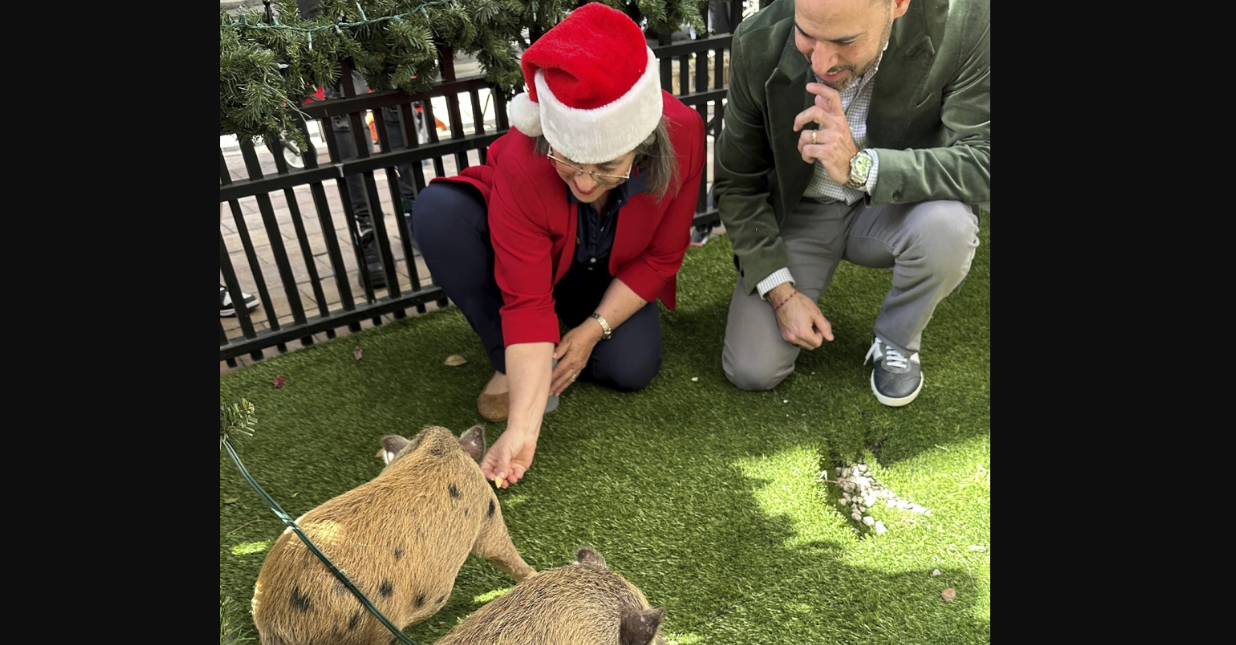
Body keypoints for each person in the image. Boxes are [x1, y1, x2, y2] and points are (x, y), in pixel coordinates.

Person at [411, 2, 705, 488]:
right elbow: (526, 300)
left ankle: (559, 341)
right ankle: (510, 361)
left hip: (612, 272)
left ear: (643, 143)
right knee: (439, 215)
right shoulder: (523, 157)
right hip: (539, 264)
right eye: (568, 160)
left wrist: (591, 331)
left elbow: (663, 256)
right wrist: (521, 432)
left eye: (607, 167)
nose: (586, 183)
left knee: (631, 369)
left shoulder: (685, 133)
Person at [712, 0, 989, 407]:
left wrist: (863, 167)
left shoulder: (965, 22)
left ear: (898, 5)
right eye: (806, 34)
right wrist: (781, 293)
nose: (821, 62)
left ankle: (897, 339)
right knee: (752, 369)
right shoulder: (757, 41)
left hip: (895, 206)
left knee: (950, 229)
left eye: (845, 41)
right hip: (801, 211)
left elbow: (983, 159)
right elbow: (738, 183)